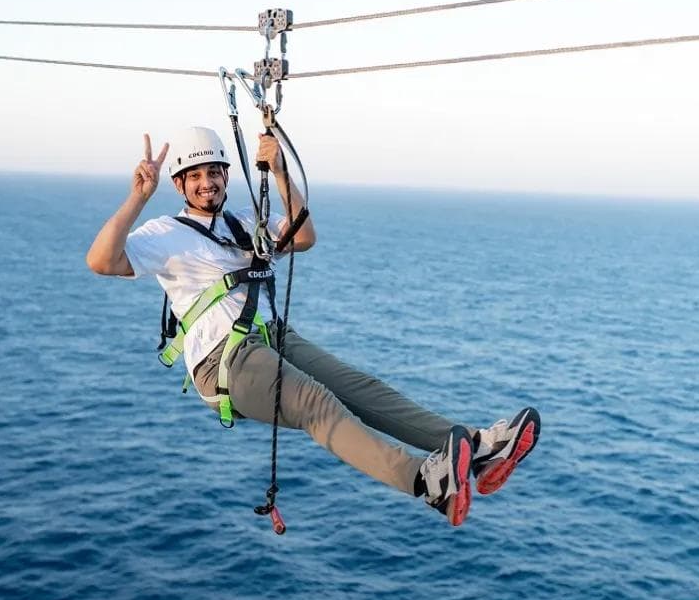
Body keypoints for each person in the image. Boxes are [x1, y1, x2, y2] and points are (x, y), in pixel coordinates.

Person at [85, 126, 540, 526]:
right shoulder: (165, 233)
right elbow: (101, 261)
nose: (208, 183)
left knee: (362, 388)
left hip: (272, 338)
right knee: (316, 403)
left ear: (226, 175)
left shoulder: (245, 222)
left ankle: (478, 450)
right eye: (196, 176)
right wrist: (137, 199)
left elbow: (303, 237)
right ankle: (424, 480)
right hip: (223, 360)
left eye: (215, 172)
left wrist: (281, 173)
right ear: (180, 184)